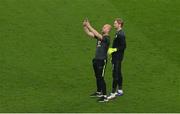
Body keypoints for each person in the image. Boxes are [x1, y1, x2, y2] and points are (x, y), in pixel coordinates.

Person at [83, 19, 111, 102]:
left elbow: (97, 34)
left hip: (102, 60)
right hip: (96, 60)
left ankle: (105, 96)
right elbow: (89, 33)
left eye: (104, 28)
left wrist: (89, 25)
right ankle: (99, 92)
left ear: (108, 30)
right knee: (97, 76)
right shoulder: (100, 37)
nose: (102, 28)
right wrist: (85, 26)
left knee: (101, 77)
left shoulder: (107, 38)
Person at [108, 18, 126, 100]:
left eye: (115, 23)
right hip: (116, 56)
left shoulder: (121, 34)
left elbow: (123, 46)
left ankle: (113, 93)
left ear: (119, 24)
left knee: (115, 73)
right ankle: (120, 90)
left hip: (118, 57)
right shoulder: (118, 33)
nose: (113, 24)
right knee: (118, 72)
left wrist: (114, 50)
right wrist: (112, 54)